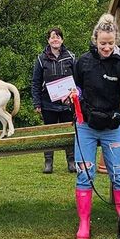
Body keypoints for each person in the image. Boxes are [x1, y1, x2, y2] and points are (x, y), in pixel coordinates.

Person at [69, 14, 120, 239]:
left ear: (116, 41)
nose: (107, 47)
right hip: (86, 126)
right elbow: (75, 88)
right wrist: (73, 95)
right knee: (85, 174)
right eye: (103, 43)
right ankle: (84, 223)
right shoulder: (82, 62)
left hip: (112, 127)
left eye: (111, 43)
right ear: (95, 40)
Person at [30, 27, 77, 174]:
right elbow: (36, 81)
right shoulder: (40, 58)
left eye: (58, 37)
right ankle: (48, 162)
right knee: (48, 133)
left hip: (68, 103)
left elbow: (79, 79)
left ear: (62, 40)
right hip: (47, 103)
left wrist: (77, 97)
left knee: (69, 132)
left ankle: (71, 161)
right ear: (48, 40)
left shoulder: (71, 57)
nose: (55, 39)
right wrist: (37, 102)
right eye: (52, 37)